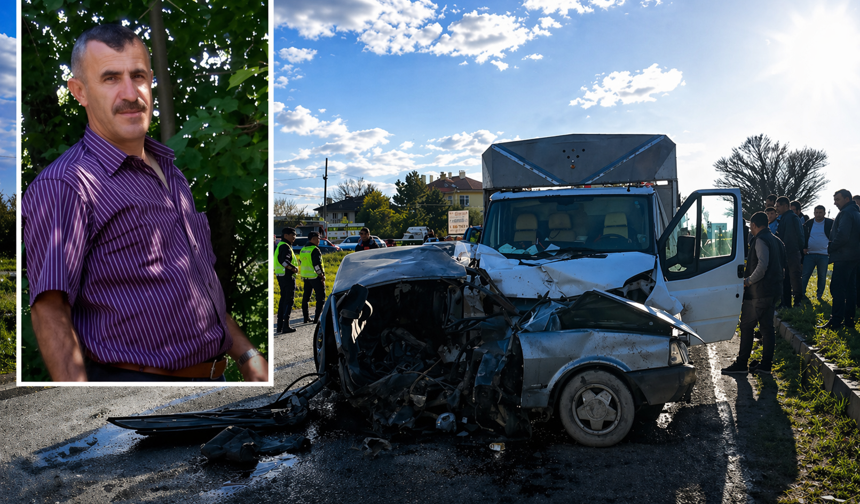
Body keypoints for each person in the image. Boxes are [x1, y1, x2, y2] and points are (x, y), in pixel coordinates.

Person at [21, 25, 267, 382]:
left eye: (138, 76)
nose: (130, 93)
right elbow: (50, 310)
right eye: (110, 78)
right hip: (136, 390)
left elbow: (198, 282)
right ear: (80, 91)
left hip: (213, 382)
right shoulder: (67, 185)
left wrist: (246, 353)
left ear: (151, 80)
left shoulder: (173, 174)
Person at [722, 212, 786, 376]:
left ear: (754, 225)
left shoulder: (760, 240)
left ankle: (742, 363)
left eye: (751, 226)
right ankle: (765, 365)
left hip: (758, 292)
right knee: (767, 328)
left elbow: (762, 266)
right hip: (773, 291)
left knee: (746, 326)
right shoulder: (777, 241)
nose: (751, 229)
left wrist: (748, 281)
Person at [818, 189, 860, 329]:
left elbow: (842, 235)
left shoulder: (846, 213)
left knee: (837, 288)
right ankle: (849, 321)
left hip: (843, 256)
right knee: (850, 289)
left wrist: (830, 248)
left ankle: (835, 321)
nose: (835, 203)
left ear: (847, 199)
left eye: (838, 199)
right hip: (854, 257)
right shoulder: (857, 213)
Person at [776, 196, 806, 306]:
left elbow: (793, 237)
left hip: (791, 252)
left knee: (793, 277)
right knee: (788, 278)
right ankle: (787, 302)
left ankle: (796, 301)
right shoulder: (786, 217)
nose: (777, 208)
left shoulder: (790, 218)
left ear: (785, 206)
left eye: (778, 206)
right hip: (790, 252)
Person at [801, 205, 833, 302]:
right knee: (805, 275)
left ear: (824, 213)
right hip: (809, 253)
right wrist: (804, 247)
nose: (818, 215)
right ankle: (801, 293)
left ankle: (819, 295)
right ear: (814, 213)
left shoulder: (830, 223)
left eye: (820, 212)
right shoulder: (809, 223)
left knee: (822, 276)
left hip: (824, 254)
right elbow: (804, 236)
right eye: (816, 212)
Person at [274, 227, 299, 334]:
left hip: (281, 275)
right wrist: (293, 268)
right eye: (293, 235)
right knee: (288, 300)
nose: (295, 237)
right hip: (286, 276)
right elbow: (283, 261)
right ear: (286, 236)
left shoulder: (280, 245)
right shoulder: (285, 246)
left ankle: (280, 326)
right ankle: (285, 326)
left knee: (283, 300)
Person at [300, 231, 326, 324]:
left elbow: (301, 262)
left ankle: (306, 318)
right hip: (315, 277)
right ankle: (317, 318)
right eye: (318, 238)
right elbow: (317, 265)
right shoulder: (315, 249)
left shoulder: (303, 249)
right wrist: (321, 275)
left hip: (306, 276)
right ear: (313, 238)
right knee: (320, 297)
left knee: (306, 297)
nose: (319, 240)